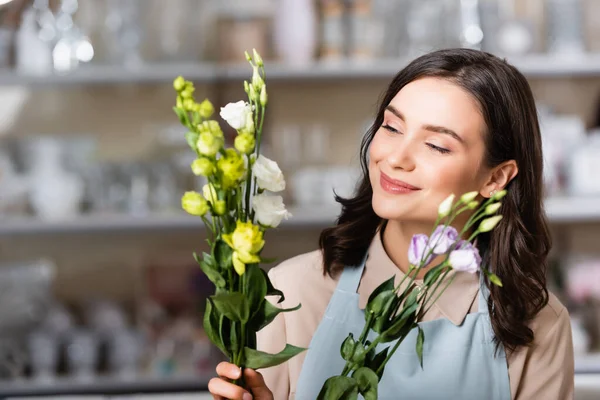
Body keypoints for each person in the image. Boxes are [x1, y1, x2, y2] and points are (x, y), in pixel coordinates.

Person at [208, 48, 575, 400]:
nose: (396, 157)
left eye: (436, 145)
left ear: (496, 177)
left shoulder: (536, 323)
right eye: (392, 127)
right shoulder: (290, 294)